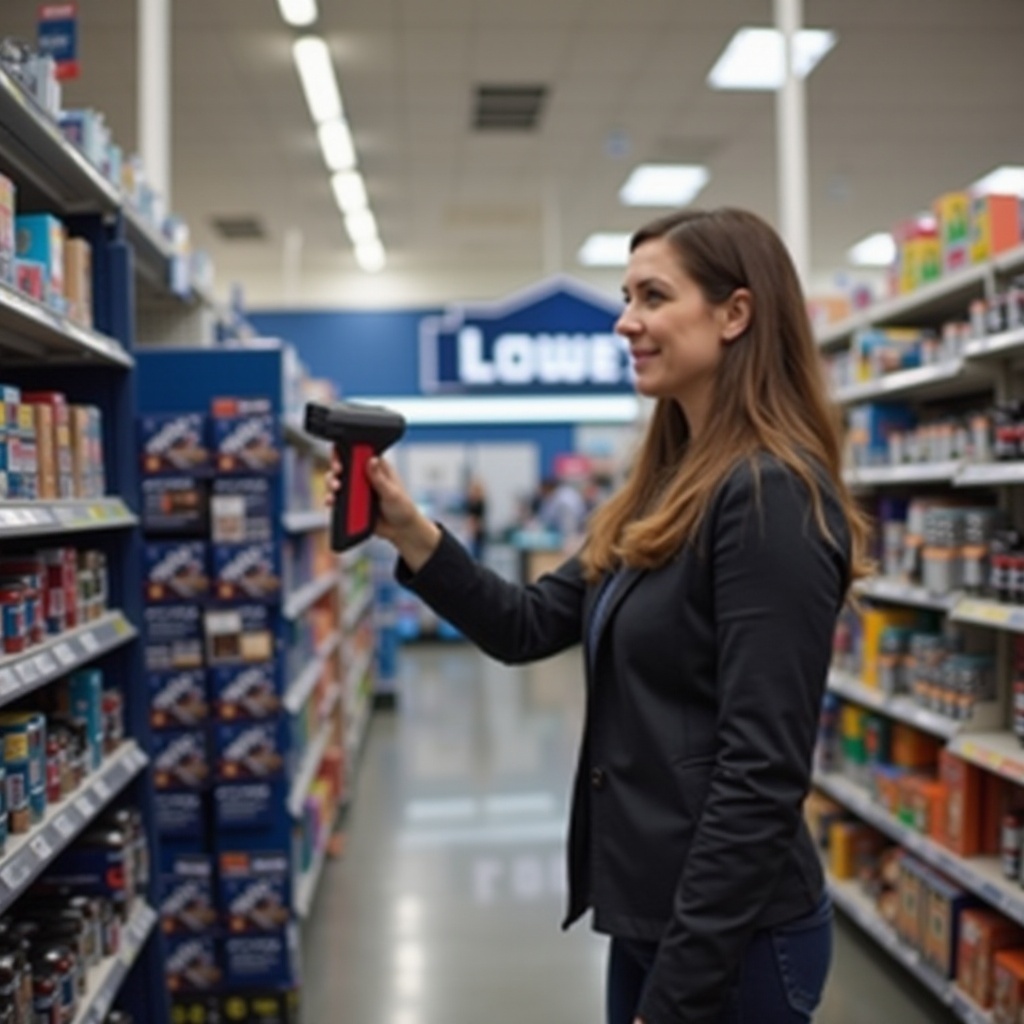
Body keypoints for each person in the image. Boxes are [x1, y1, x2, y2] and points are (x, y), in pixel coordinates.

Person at [327, 207, 871, 1024]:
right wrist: (408, 528)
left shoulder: (769, 497)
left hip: (734, 941)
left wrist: (681, 990)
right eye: (626, 296)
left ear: (735, 314)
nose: (626, 322)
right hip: (659, 913)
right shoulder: (665, 488)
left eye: (653, 296)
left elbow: (761, 771)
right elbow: (528, 624)